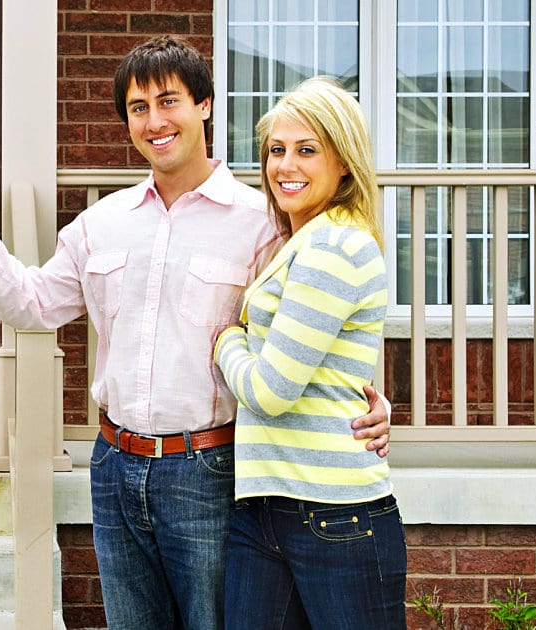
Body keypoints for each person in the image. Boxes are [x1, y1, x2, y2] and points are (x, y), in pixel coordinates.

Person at [0, 36, 391, 629]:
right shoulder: (102, 224)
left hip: (211, 471)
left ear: (205, 106)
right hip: (114, 467)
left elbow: (317, 328)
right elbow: (29, 303)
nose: (154, 121)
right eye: (138, 108)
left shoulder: (264, 223)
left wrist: (372, 401)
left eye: (168, 101)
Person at [213, 76, 404, 629]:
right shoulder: (302, 240)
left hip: (334, 514)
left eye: (306, 150)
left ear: (343, 162)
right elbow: (332, 366)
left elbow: (270, 391)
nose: (285, 165)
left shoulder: (333, 245)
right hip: (268, 502)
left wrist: (227, 340)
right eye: (276, 150)